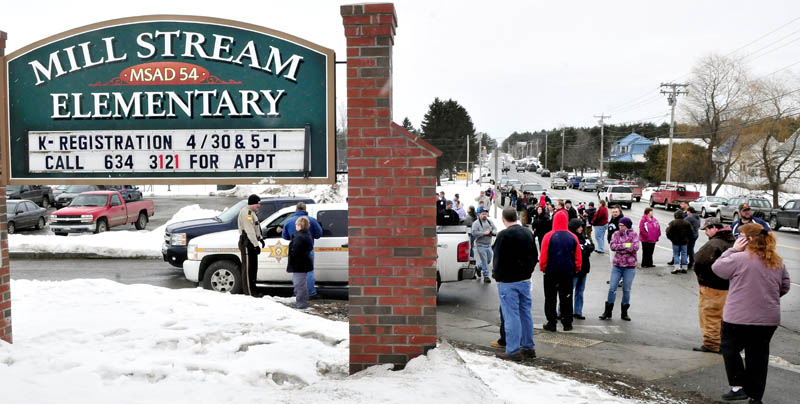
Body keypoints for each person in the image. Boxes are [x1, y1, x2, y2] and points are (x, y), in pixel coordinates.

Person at [712, 223, 791, 403]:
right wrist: (766, 296)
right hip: (767, 319)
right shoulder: (776, 260)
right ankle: (756, 397)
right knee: (758, 357)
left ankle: (738, 386)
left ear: (748, 239)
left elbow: (717, 268)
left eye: (740, 235)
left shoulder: (739, 258)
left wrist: (732, 250)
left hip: (738, 317)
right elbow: (785, 285)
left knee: (729, 349)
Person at [492, 208, 538, 361]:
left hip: (508, 281)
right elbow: (534, 255)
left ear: (504, 219)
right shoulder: (527, 232)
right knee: (525, 313)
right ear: (517, 217)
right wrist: (528, 271)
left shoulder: (503, 235)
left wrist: (497, 277)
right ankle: (528, 346)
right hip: (525, 280)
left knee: (511, 315)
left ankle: (513, 350)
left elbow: (497, 259)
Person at [692, 217, 735, 353]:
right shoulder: (733, 242)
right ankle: (723, 341)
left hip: (712, 286)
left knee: (710, 315)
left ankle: (712, 344)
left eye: (707, 230)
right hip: (729, 287)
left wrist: (702, 278)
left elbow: (699, 261)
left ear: (714, 228)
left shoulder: (714, 245)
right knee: (724, 316)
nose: (705, 232)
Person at [539, 210, 582, 332]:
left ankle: (551, 322)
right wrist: (577, 268)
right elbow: (578, 256)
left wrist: (543, 267)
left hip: (551, 272)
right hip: (567, 272)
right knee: (567, 298)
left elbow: (543, 256)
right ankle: (567, 323)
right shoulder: (573, 237)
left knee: (550, 298)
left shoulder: (548, 236)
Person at [599, 217, 639, 321]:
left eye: (622, 225)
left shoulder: (634, 235)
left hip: (629, 267)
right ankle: (608, 312)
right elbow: (612, 246)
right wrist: (626, 245)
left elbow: (635, 247)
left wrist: (621, 247)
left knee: (626, 289)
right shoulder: (616, 234)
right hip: (617, 266)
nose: (620, 227)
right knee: (612, 288)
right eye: (620, 225)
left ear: (627, 226)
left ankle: (624, 312)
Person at [282, 202, 323, 299]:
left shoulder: (288, 221)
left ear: (296, 209)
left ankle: (297, 293)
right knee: (309, 271)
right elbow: (318, 234)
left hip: (294, 250)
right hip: (308, 250)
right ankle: (311, 293)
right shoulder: (311, 221)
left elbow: (285, 236)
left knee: (297, 272)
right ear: (305, 209)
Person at [238, 194, 265, 297]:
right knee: (248, 269)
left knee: (253, 268)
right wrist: (255, 245)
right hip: (247, 243)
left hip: (251, 242)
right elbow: (249, 231)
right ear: (253, 203)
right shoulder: (247, 213)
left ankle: (253, 290)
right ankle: (249, 293)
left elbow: (256, 228)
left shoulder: (252, 213)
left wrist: (260, 239)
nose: (259, 205)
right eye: (258, 203)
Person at [569, 218, 594, 320]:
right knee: (569, 291)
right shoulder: (571, 238)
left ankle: (578, 311)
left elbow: (591, 246)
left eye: (581, 227)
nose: (581, 228)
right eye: (579, 227)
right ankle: (561, 311)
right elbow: (577, 251)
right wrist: (585, 249)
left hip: (584, 268)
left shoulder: (584, 237)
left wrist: (585, 249)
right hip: (574, 269)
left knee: (580, 291)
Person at [287, 216, 313, 310]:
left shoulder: (299, 237)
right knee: (302, 284)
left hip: (299, 264)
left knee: (299, 284)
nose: (295, 226)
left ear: (300, 225)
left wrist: (293, 258)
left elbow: (296, 251)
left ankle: (301, 304)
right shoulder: (306, 235)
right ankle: (302, 302)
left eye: (296, 224)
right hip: (303, 263)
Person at [472, 207, 497, 283]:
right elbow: (474, 233)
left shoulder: (489, 221)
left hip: (488, 245)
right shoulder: (476, 223)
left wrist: (492, 232)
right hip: (480, 245)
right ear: (479, 214)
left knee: (488, 260)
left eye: (486, 213)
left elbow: (495, 229)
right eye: (483, 214)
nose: (484, 215)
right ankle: (486, 276)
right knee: (484, 261)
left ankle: (479, 268)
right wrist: (483, 233)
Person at [666, 210, 693, 274]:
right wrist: (688, 239)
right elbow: (691, 232)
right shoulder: (687, 223)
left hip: (675, 241)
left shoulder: (672, 223)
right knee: (684, 254)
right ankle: (684, 267)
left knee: (676, 254)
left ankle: (677, 267)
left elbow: (668, 232)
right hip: (684, 241)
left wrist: (671, 239)